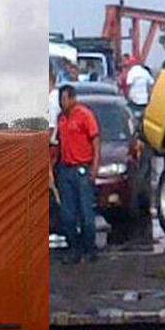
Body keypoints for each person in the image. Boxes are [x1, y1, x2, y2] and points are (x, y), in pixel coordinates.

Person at [55, 84, 101, 264]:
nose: (62, 102)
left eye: (64, 99)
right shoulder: (61, 119)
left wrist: (94, 167)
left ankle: (90, 249)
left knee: (86, 213)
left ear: (73, 99)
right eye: (60, 99)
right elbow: (58, 143)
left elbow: (95, 141)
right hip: (66, 170)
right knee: (68, 215)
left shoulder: (84, 115)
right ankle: (74, 248)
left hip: (82, 168)